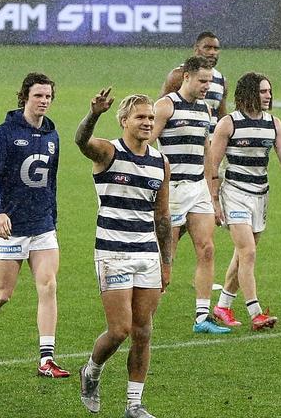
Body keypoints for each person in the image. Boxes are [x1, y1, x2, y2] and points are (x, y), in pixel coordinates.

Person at [74, 89, 173, 418]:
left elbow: (162, 216)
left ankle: (134, 404)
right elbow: (80, 141)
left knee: (144, 331)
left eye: (151, 118)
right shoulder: (107, 152)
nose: (147, 122)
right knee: (120, 330)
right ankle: (91, 371)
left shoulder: (161, 162)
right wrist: (93, 115)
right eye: (141, 117)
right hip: (112, 252)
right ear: (124, 121)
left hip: (146, 254)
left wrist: (166, 262)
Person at [0, 73, 68, 378]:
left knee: (48, 285)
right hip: (10, 227)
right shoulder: (5, 133)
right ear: (24, 97)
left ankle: (46, 359)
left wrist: (53, 218)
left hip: (43, 226)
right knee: (1, 295)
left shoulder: (53, 135)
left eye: (48, 96)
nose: (44, 101)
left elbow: (51, 182)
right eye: (38, 96)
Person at [207, 72, 281, 331]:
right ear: (248, 93)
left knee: (242, 255)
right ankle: (256, 312)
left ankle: (223, 306)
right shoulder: (228, 124)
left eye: (269, 91)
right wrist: (215, 201)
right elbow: (212, 165)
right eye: (263, 91)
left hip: (261, 195)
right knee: (248, 251)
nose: (268, 96)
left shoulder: (273, 124)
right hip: (234, 193)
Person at [150, 56, 229, 334]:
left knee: (207, 249)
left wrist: (212, 192)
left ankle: (201, 317)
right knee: (164, 257)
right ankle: (144, 316)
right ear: (186, 77)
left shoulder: (205, 110)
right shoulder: (165, 107)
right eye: (202, 80)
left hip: (197, 189)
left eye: (210, 81)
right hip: (170, 192)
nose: (207, 85)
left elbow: (207, 151)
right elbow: (146, 146)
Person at [161, 31, 227, 132]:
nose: (212, 52)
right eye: (207, 48)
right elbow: (161, 109)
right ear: (196, 49)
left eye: (216, 49)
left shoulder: (221, 80)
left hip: (210, 143)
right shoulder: (178, 75)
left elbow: (221, 116)